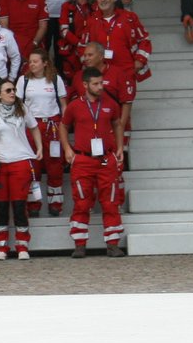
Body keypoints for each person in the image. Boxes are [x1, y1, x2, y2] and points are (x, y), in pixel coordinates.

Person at [60, 66, 126, 258]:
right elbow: (63, 126)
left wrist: (120, 147)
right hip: (83, 159)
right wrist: (67, 148)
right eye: (96, 84)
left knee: (111, 202)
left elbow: (117, 123)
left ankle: (112, 244)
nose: (100, 87)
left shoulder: (110, 103)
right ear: (85, 85)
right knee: (81, 202)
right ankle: (80, 244)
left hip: (106, 159)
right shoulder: (74, 106)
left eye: (101, 83)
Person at [0, 79, 43, 260]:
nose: (13, 92)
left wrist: (39, 147)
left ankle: (22, 246)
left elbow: (35, 128)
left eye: (14, 89)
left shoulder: (22, 108)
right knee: (1, 205)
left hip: (20, 160)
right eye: (8, 90)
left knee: (19, 204)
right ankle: (1, 247)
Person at [17, 50, 69, 216]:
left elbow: (63, 104)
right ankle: (34, 204)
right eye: (30, 61)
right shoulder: (23, 81)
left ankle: (56, 204)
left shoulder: (55, 79)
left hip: (52, 126)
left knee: (55, 167)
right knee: (34, 168)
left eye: (35, 61)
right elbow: (17, 106)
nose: (31, 64)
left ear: (45, 63)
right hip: (32, 127)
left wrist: (64, 125)